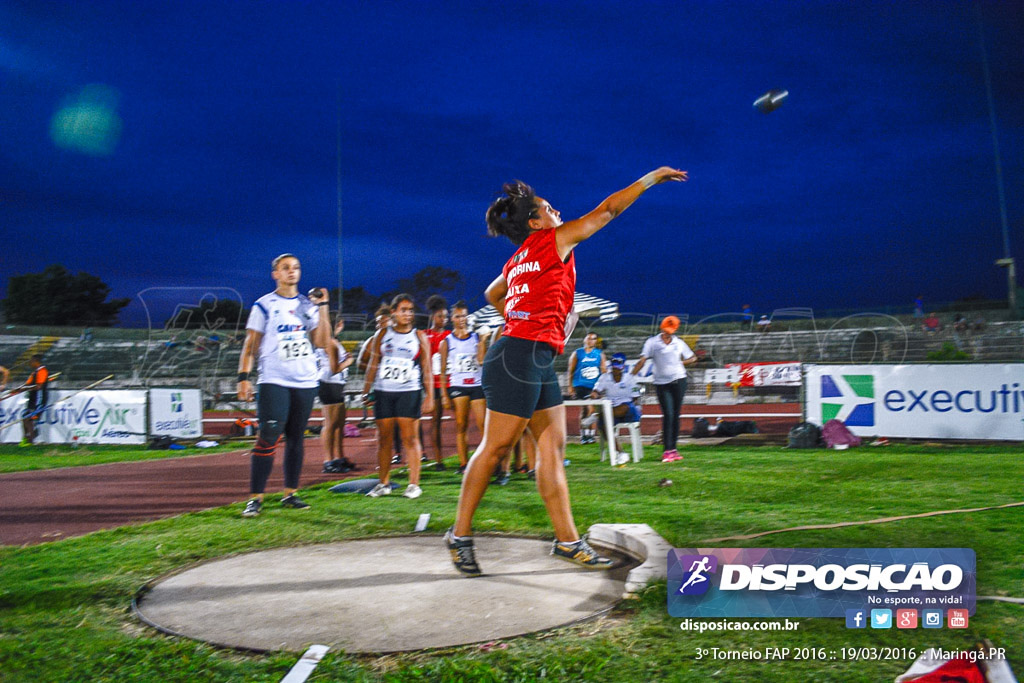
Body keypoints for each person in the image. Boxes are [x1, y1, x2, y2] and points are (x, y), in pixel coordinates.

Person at [445, 166, 688, 576]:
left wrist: (525, 317)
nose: (558, 210)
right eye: (548, 208)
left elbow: (492, 293)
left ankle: (568, 541)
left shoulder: (520, 257)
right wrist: (650, 180)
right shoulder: (551, 240)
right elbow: (608, 210)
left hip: (534, 356)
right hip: (516, 357)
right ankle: (459, 534)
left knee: (552, 448)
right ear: (536, 222)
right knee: (496, 449)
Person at [237, 254, 330, 517]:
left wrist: (322, 308)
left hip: (304, 380)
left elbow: (322, 341)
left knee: (296, 438)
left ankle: (291, 493)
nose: (292, 272)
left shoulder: (307, 305)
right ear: (275, 274)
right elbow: (250, 345)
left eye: (296, 268)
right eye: (285, 268)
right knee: (268, 436)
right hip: (274, 379)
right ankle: (255, 498)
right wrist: (243, 377)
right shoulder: (264, 305)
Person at [362, 293, 434, 499]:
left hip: (408, 391)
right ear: (393, 312)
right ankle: (383, 483)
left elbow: (426, 368)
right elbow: (373, 364)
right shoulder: (382, 335)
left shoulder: (419, 336)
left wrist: (429, 396)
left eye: (411, 310)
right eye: (403, 310)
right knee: (384, 439)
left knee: (410, 438)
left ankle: (413, 485)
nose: (408, 314)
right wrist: (366, 390)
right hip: (384, 392)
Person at [633, 316, 697, 463]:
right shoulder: (652, 342)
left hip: (679, 380)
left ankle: (673, 449)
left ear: (675, 330)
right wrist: (631, 375)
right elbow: (643, 360)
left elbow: (693, 358)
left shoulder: (679, 343)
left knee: (675, 415)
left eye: (670, 331)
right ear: (662, 328)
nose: (667, 333)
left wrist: (681, 362)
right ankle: (667, 451)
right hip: (661, 383)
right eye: (665, 330)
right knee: (668, 414)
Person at [440, 300, 486, 474]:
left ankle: (485, 461)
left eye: (464, 315)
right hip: (458, 385)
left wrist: (483, 342)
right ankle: (463, 463)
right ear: (452, 318)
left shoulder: (475, 337)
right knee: (461, 425)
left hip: (476, 384)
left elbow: (482, 360)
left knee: (483, 425)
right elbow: (443, 370)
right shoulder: (447, 341)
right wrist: (444, 394)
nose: (461, 319)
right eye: (458, 316)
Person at [318, 317, 356, 474]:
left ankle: (339, 457)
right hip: (329, 382)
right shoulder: (330, 342)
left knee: (339, 423)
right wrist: (349, 361)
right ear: (337, 325)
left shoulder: (333, 340)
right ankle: (328, 460)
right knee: (330, 424)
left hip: (335, 383)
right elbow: (334, 368)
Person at [589, 353, 642, 443]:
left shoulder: (630, 378)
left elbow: (636, 398)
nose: (615, 369)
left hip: (628, 411)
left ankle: (598, 416)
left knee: (625, 407)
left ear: (623, 366)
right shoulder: (605, 377)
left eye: (618, 366)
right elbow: (596, 391)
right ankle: (619, 452)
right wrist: (595, 394)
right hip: (611, 410)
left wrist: (637, 410)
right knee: (602, 424)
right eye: (614, 366)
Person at [424, 295, 451, 470]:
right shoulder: (426, 336)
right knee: (436, 422)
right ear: (433, 316)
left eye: (446, 316)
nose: (444, 319)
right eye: (441, 316)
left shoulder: (450, 335)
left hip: (452, 382)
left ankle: (465, 459)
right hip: (434, 385)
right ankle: (439, 460)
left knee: (463, 421)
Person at [566, 332, 605, 444]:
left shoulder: (599, 354)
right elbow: (571, 370)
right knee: (586, 409)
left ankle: (591, 435)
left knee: (592, 409)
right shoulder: (577, 353)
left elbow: (604, 370)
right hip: (580, 385)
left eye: (593, 339)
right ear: (584, 340)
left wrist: (603, 385)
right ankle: (584, 435)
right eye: (589, 338)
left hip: (595, 386)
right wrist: (570, 386)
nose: (590, 341)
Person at [18, 355, 50, 447]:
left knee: (29, 419)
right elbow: (27, 384)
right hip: (32, 400)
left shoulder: (42, 371)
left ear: (36, 361)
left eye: (31, 361)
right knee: (25, 418)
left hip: (39, 400)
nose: (30, 363)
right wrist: (19, 389)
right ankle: (26, 438)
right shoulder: (34, 373)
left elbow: (38, 386)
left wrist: (26, 388)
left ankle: (31, 441)